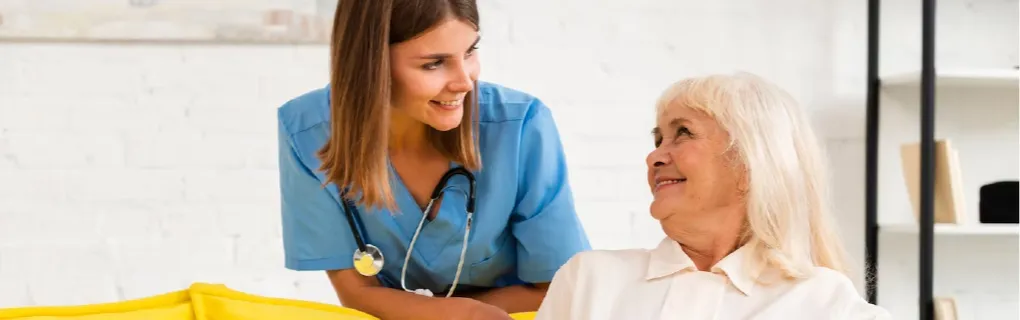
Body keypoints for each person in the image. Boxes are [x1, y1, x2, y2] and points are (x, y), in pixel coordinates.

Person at [275, 0, 591, 319]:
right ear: (370, 65)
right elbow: (357, 291)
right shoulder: (306, 131)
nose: (465, 82)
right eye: (434, 63)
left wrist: (451, 313)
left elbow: (561, 289)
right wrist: (455, 313)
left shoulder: (520, 126)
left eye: (470, 51)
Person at [534, 72, 892, 320]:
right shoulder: (589, 279)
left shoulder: (825, 300)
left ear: (750, 160)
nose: (655, 156)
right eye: (658, 139)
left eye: (683, 133)